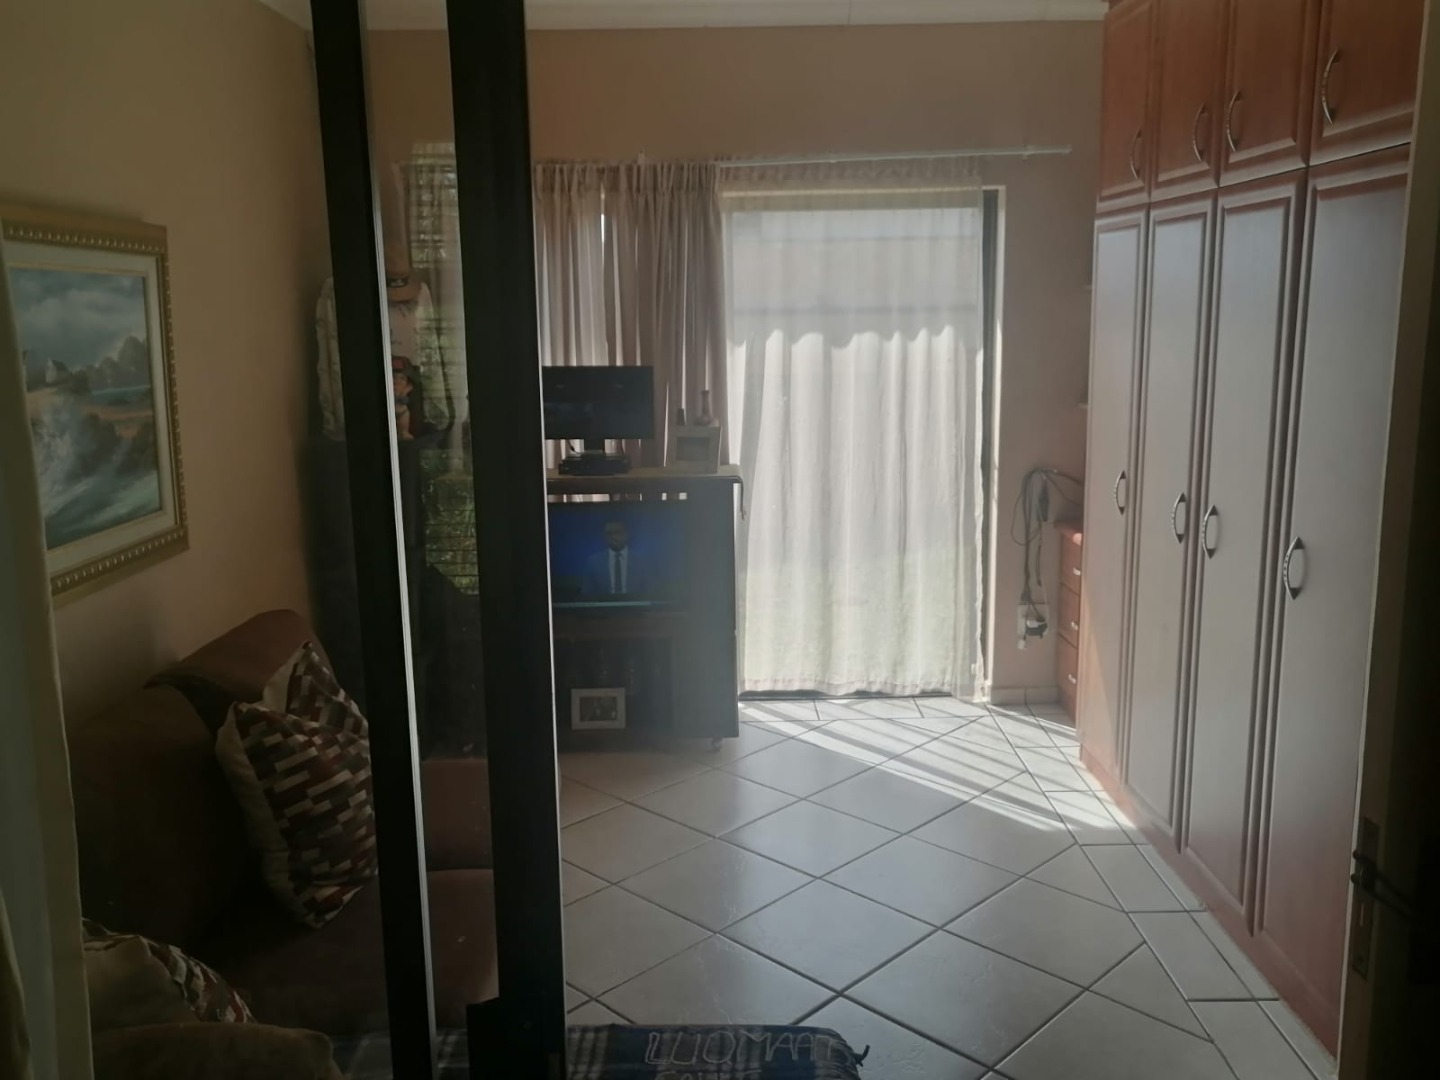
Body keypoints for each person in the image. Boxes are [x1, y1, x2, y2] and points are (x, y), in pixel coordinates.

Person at [583, 520, 648, 598]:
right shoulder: (593, 562)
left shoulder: (642, 562)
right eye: (609, 534)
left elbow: (650, 593)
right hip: (605, 605)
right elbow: (587, 595)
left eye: (618, 533)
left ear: (626, 535)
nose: (613, 537)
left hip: (635, 605)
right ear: (604, 536)